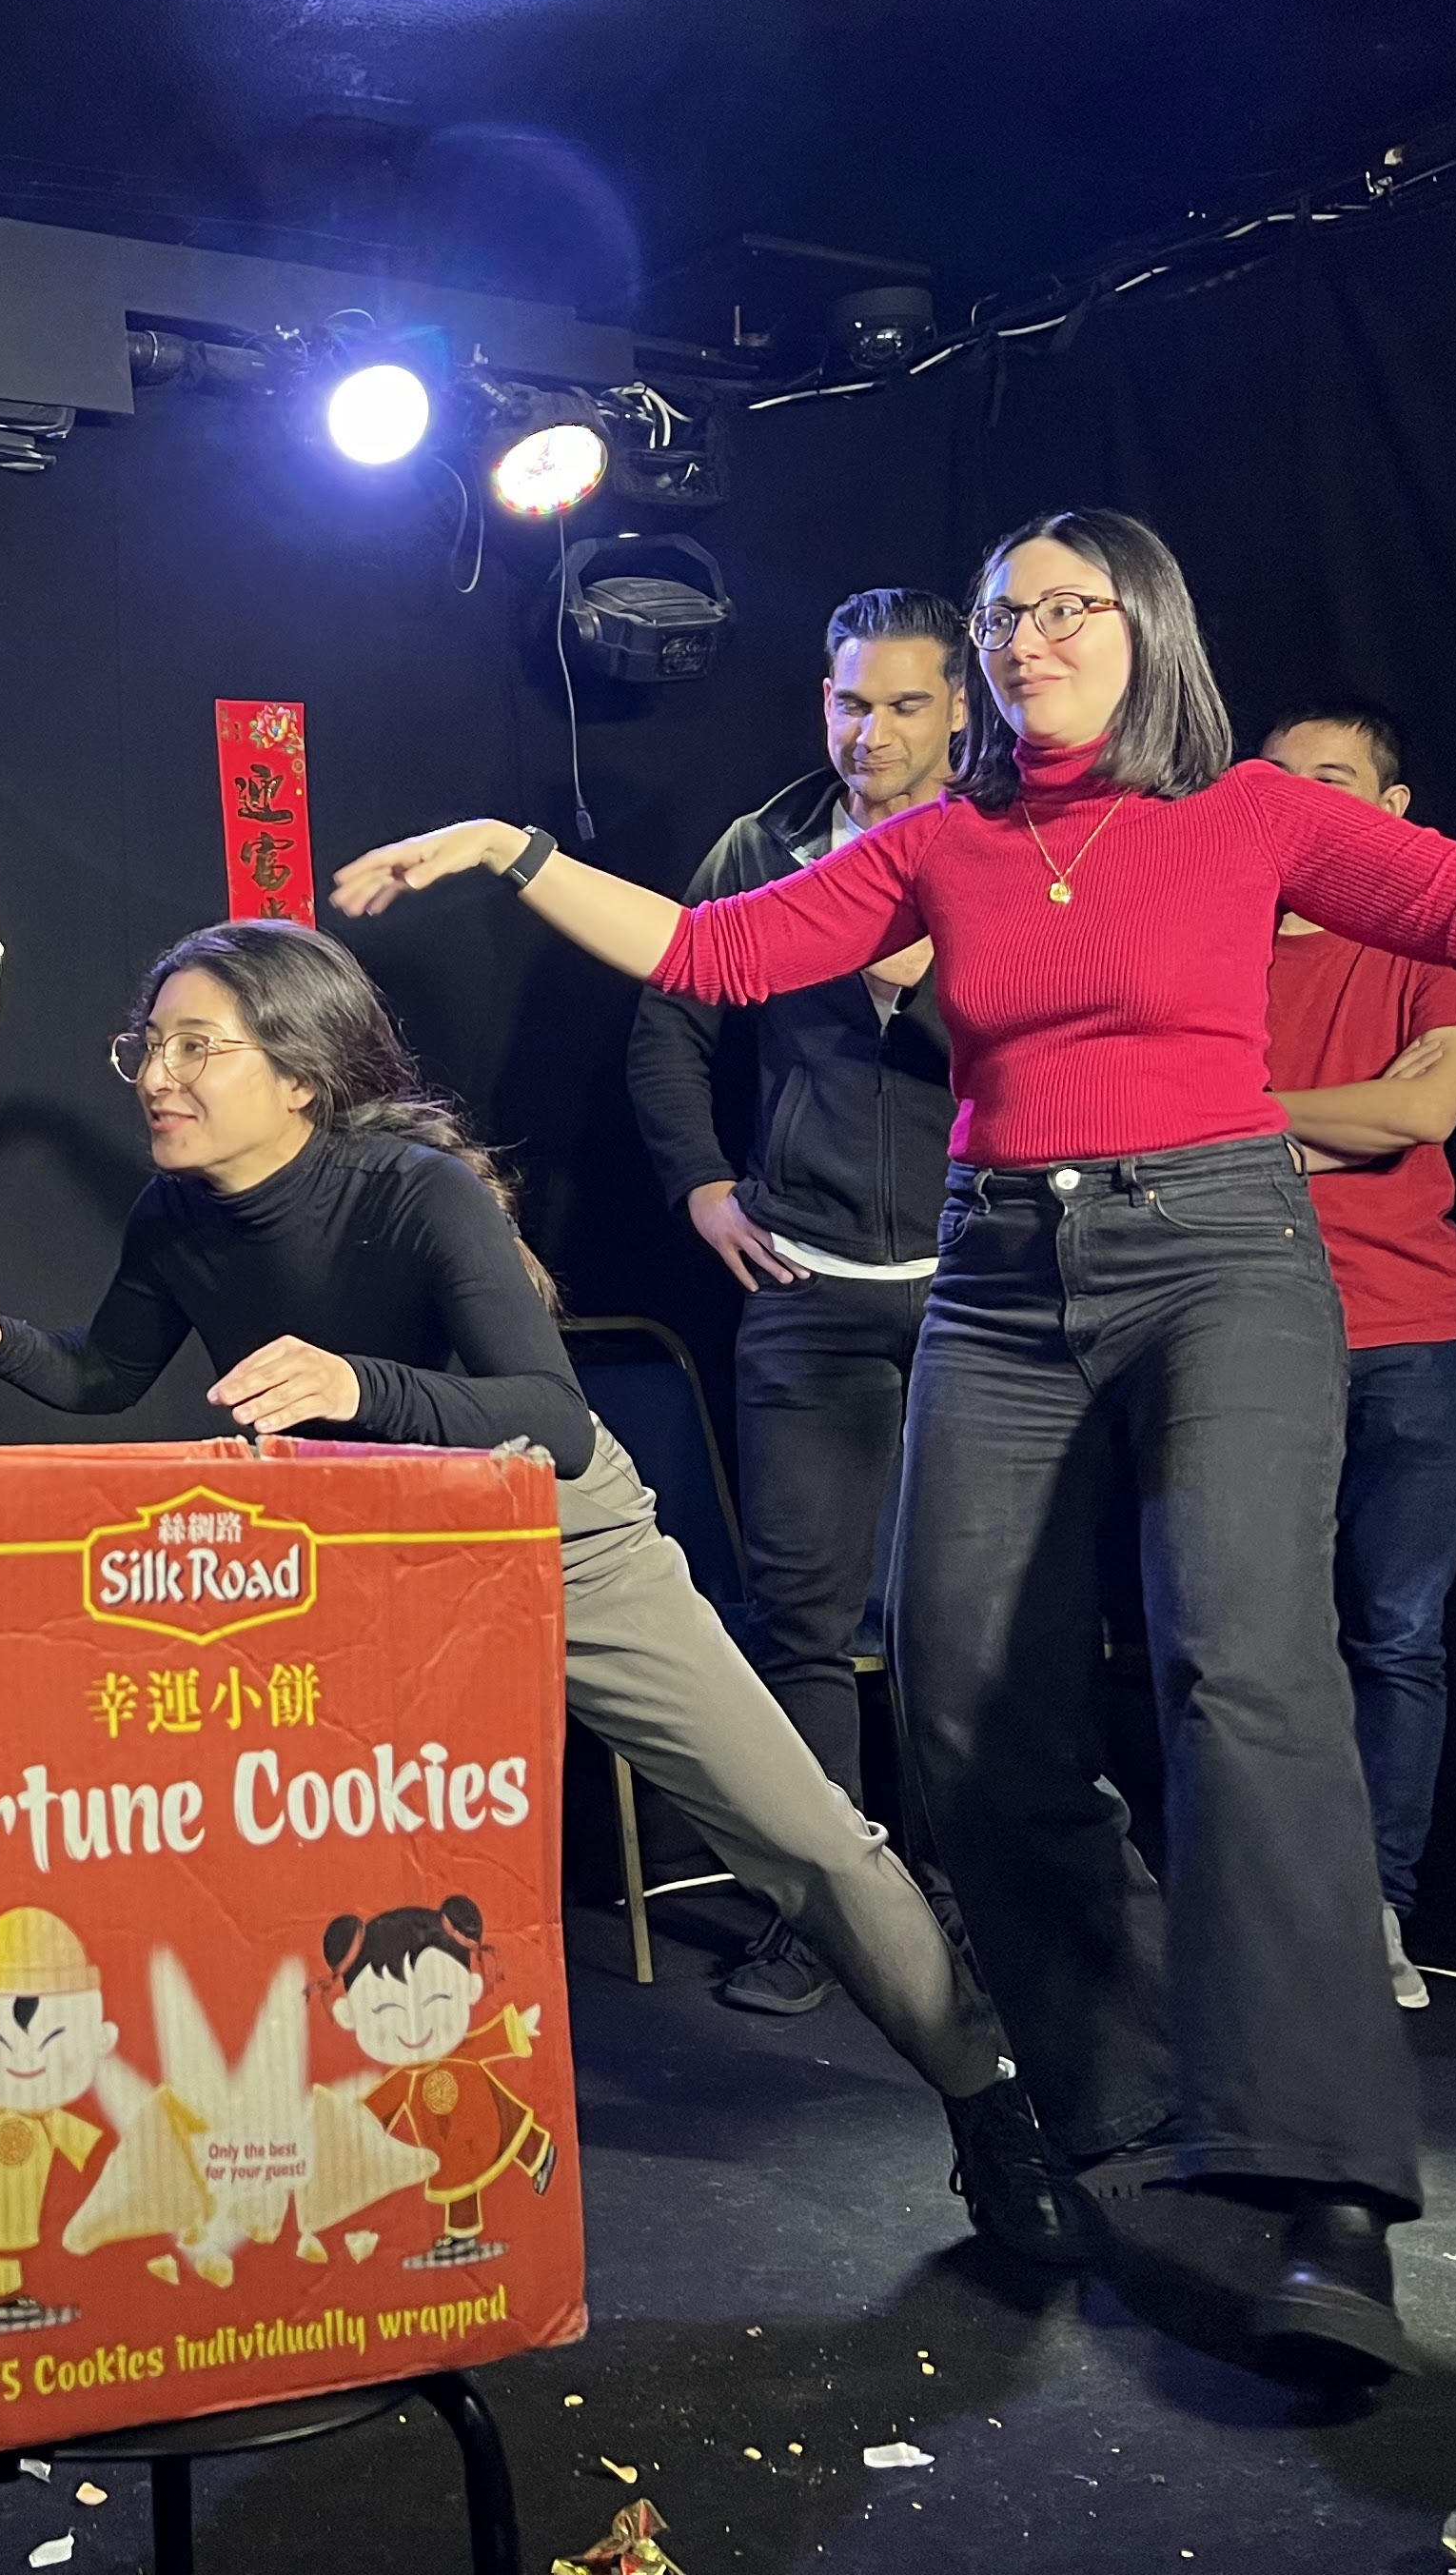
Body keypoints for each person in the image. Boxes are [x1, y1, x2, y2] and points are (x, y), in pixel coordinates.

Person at [334, 505, 1456, 2383]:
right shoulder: (940, 841)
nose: (1030, 636)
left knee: (1248, 1671)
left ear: (1146, 627)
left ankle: (1326, 2191)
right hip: (1003, 1270)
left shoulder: (1252, 818)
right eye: (1003, 614)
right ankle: (1126, 2101)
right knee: (964, 1709)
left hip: (1221, 1244)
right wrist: (513, 849)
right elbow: (712, 953)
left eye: (1067, 607)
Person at [0, 917, 1088, 2270]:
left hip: (553, 1534)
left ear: (299, 1075)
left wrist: (358, 1387)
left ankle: (993, 2104)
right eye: (147, 1045)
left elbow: (550, 1419)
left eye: (194, 1046)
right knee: (299, 1876)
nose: (156, 1074)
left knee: (803, 1835)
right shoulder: (176, 1212)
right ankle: (311, 2193)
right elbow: (107, 1374)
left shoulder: (409, 1189)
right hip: (366, 1563)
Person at [624, 587, 967, 2018]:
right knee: (802, 1620)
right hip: (806, 1287)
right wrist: (707, 1188)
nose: (869, 733)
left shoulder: (1009, 846)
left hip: (979, 1292)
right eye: (848, 702)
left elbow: (1069, 1036)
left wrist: (932, 980)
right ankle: (832, 1918)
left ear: (962, 710)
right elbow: (667, 1022)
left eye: (901, 706)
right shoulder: (763, 849)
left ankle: (965, 1912)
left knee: (970, 1624)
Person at [1257, 701, 1456, 2012]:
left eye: (1333, 781)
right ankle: (1270, 1917)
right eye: (1277, 779)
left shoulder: (1432, 937)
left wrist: (1240, 1116)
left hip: (1410, 1333)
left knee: (1396, 1637)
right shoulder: (1210, 938)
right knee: (1254, 1638)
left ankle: (1377, 1916)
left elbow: (1422, 1109)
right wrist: (1323, 1127)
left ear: (1392, 811)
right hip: (1247, 1334)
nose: (1299, 800)